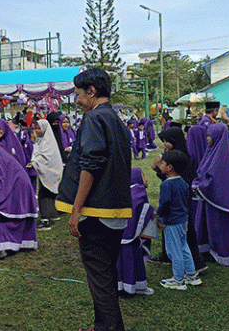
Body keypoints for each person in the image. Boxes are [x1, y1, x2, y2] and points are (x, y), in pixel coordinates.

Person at [56, 68, 131, 331]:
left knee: (100, 280)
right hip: (116, 212)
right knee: (106, 276)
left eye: (78, 94)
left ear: (92, 92)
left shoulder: (94, 118)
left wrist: (76, 210)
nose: (76, 100)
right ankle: (103, 325)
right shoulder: (116, 118)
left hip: (97, 214)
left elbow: (91, 165)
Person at [151, 126, 206, 272]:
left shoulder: (180, 157)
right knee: (173, 230)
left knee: (184, 234)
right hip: (176, 202)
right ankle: (167, 256)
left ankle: (192, 265)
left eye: (166, 141)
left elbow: (179, 180)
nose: (164, 144)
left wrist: (159, 212)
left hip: (178, 203)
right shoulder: (172, 155)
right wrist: (158, 169)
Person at [192, 123, 229, 266]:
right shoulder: (211, 150)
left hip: (217, 197)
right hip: (207, 195)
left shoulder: (223, 154)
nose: (207, 139)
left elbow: (217, 177)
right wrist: (197, 183)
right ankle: (207, 249)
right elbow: (203, 169)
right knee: (204, 222)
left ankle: (223, 254)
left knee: (219, 224)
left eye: (209, 136)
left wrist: (201, 186)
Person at [0, 136, 38, 259]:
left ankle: (1, 248)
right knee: (12, 212)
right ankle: (20, 242)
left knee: (1, 211)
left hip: (19, 186)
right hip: (16, 184)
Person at [156, 151, 203, 290]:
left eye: (163, 163)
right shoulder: (183, 182)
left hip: (172, 221)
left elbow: (165, 204)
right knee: (184, 247)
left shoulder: (166, 185)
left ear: (169, 167)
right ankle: (191, 275)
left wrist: (159, 218)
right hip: (183, 220)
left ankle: (178, 280)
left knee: (174, 250)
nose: (161, 166)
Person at [117, 168, 155, 295]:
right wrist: (151, 212)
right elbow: (141, 209)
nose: (146, 179)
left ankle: (126, 286)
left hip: (123, 233)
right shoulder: (138, 191)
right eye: (143, 176)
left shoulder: (128, 190)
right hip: (130, 236)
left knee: (124, 261)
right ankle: (130, 287)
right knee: (131, 261)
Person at [29, 119, 63, 230]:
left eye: (39, 128)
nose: (37, 131)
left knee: (44, 194)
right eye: (36, 128)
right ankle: (53, 214)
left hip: (50, 171)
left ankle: (45, 220)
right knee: (49, 193)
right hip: (46, 170)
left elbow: (45, 156)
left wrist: (34, 163)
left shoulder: (48, 142)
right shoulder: (41, 141)